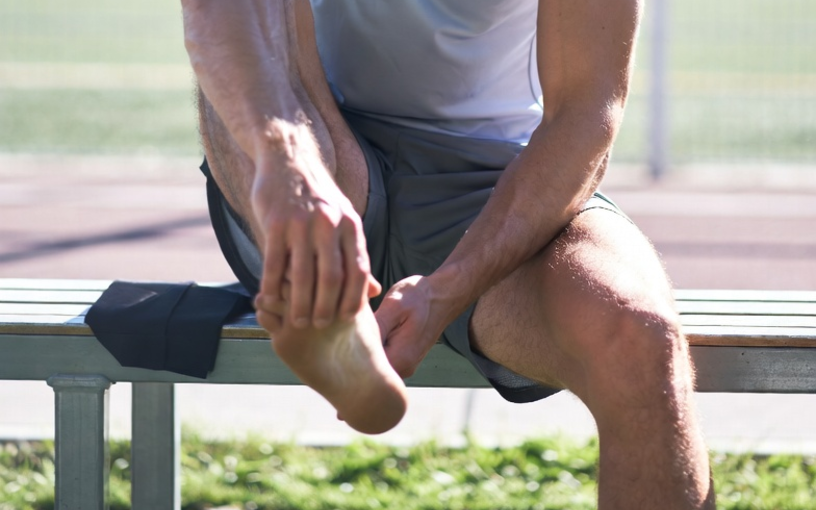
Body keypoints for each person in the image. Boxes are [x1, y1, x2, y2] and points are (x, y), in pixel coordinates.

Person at [181, 0, 715, 507]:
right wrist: (292, 165)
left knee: (640, 338)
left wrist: (449, 287)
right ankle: (326, 302)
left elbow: (584, 113)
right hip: (308, 149)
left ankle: (334, 309)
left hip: (494, 190)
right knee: (254, 32)